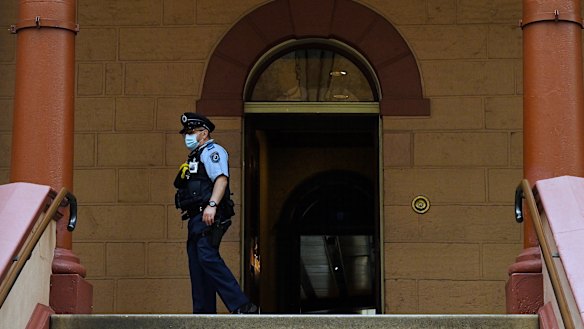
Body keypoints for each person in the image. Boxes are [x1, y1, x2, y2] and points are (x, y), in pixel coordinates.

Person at [174, 112, 258, 314]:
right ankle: (203, 313)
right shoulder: (195, 156)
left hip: (208, 214)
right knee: (198, 263)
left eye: (191, 131)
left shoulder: (213, 151)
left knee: (207, 257)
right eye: (186, 132)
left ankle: (241, 305)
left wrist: (212, 205)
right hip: (196, 217)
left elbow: (221, 179)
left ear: (204, 133)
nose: (188, 136)